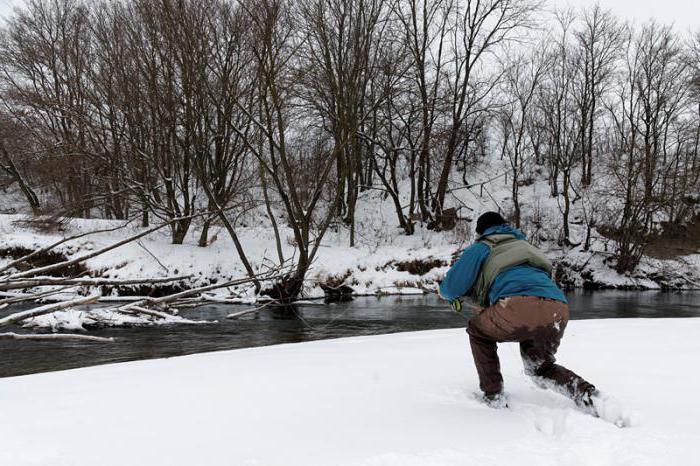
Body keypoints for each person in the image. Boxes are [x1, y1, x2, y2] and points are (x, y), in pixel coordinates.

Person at [439, 211, 598, 410]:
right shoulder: (527, 247)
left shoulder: (482, 247)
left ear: (481, 232)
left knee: (478, 331)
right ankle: (588, 394)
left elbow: (450, 289)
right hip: (557, 308)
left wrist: (450, 294)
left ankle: (493, 394)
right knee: (540, 368)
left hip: (516, 307)